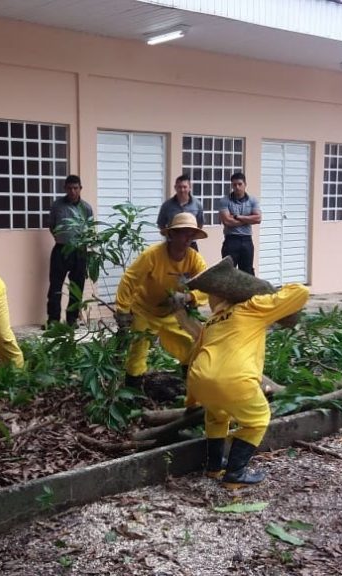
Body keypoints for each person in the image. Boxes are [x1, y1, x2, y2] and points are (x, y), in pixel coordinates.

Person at [187, 283, 309, 489]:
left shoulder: (212, 321)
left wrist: (191, 399)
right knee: (258, 419)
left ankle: (214, 466)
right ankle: (235, 473)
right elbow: (300, 293)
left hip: (199, 379)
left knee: (216, 416)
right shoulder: (252, 307)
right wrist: (267, 290)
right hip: (235, 379)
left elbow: (194, 356)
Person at [114, 212, 208, 386]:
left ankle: (190, 387)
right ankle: (133, 393)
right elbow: (130, 279)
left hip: (172, 312)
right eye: (183, 232)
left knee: (189, 344)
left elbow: (208, 285)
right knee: (138, 350)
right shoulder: (153, 255)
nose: (187, 237)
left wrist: (189, 296)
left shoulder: (194, 259)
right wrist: (123, 309)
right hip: (145, 310)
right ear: (171, 234)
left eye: (191, 233)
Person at [46, 175, 93, 327]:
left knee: (76, 287)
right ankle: (53, 321)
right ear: (65, 189)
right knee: (55, 287)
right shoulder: (57, 206)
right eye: (70, 188)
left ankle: (72, 321)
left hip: (79, 251)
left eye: (76, 188)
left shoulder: (86, 208)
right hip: (60, 250)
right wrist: (60, 239)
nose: (73, 191)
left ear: (80, 189)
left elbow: (90, 230)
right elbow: (52, 226)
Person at [218, 171, 262, 275]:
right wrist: (248, 220)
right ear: (231, 185)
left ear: (245, 184)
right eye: (234, 184)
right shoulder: (225, 201)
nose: (237, 187)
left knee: (247, 272)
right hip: (231, 240)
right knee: (228, 272)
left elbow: (258, 219)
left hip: (247, 240)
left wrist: (238, 217)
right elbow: (227, 221)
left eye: (240, 184)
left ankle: (249, 292)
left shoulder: (253, 200)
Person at [156, 174, 204, 251]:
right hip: (172, 243)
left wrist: (191, 237)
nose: (182, 190)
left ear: (190, 188)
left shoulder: (198, 205)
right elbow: (161, 223)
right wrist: (170, 236)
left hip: (191, 244)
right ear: (175, 188)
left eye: (185, 187)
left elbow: (200, 223)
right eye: (179, 187)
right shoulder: (167, 205)